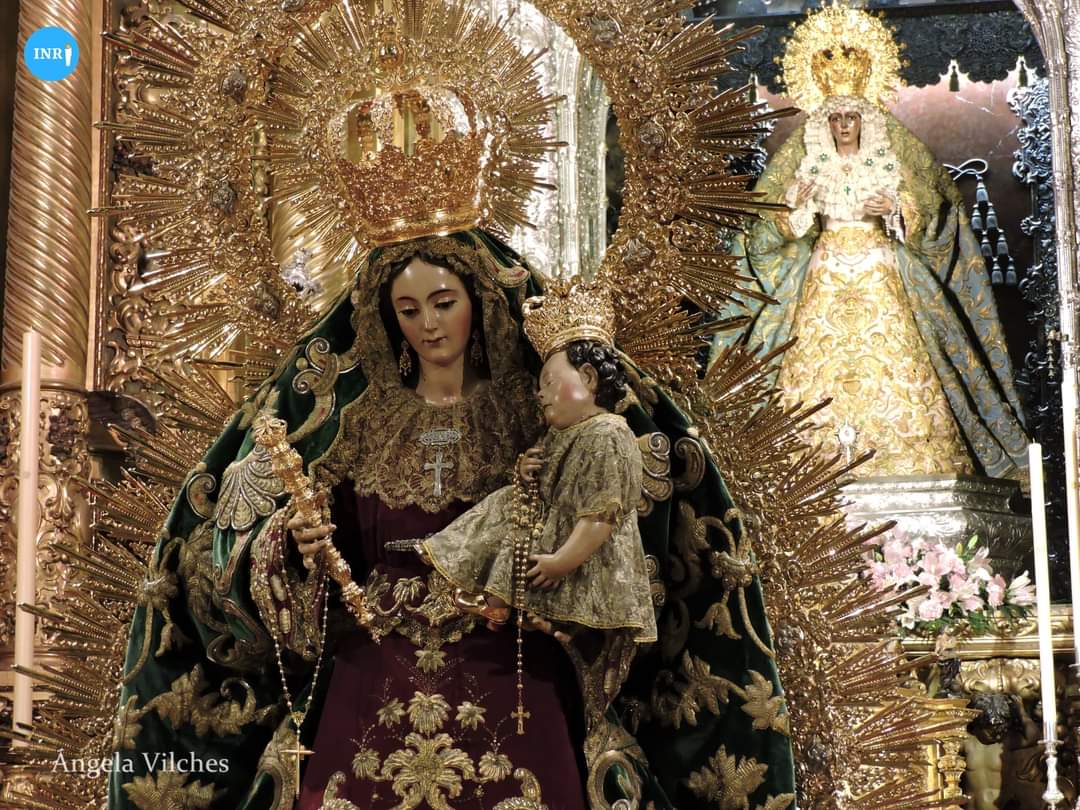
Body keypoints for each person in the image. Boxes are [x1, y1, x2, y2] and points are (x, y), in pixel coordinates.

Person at [727, 6, 1029, 481]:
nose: (844, 125)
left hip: (881, 269)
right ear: (825, 122)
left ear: (864, 117)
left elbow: (934, 207)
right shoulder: (802, 159)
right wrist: (793, 210)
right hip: (822, 274)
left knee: (902, 368)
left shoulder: (892, 154)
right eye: (836, 118)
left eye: (852, 116)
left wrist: (896, 209)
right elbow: (764, 229)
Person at [419, 284, 657, 645]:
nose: (540, 393)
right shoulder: (562, 433)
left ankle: (507, 601)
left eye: (549, 382)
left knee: (517, 517)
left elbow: (600, 517)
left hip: (586, 558)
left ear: (589, 378)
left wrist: (561, 562)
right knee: (511, 505)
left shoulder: (608, 434)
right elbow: (545, 477)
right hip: (551, 531)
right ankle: (489, 593)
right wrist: (526, 470)